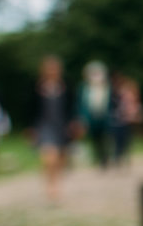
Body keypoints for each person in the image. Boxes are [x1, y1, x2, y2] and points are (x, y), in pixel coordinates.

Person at [31, 56, 72, 202]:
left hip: (61, 126)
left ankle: (57, 182)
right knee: (49, 157)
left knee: (61, 159)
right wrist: (31, 128)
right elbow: (30, 109)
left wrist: (73, 123)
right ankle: (51, 187)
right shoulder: (37, 88)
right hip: (44, 126)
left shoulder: (65, 86)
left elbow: (70, 107)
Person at [79, 62, 115, 169]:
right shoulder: (84, 88)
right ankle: (100, 158)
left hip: (105, 118)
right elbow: (82, 104)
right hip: (92, 118)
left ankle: (107, 157)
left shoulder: (107, 87)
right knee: (95, 140)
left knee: (106, 138)